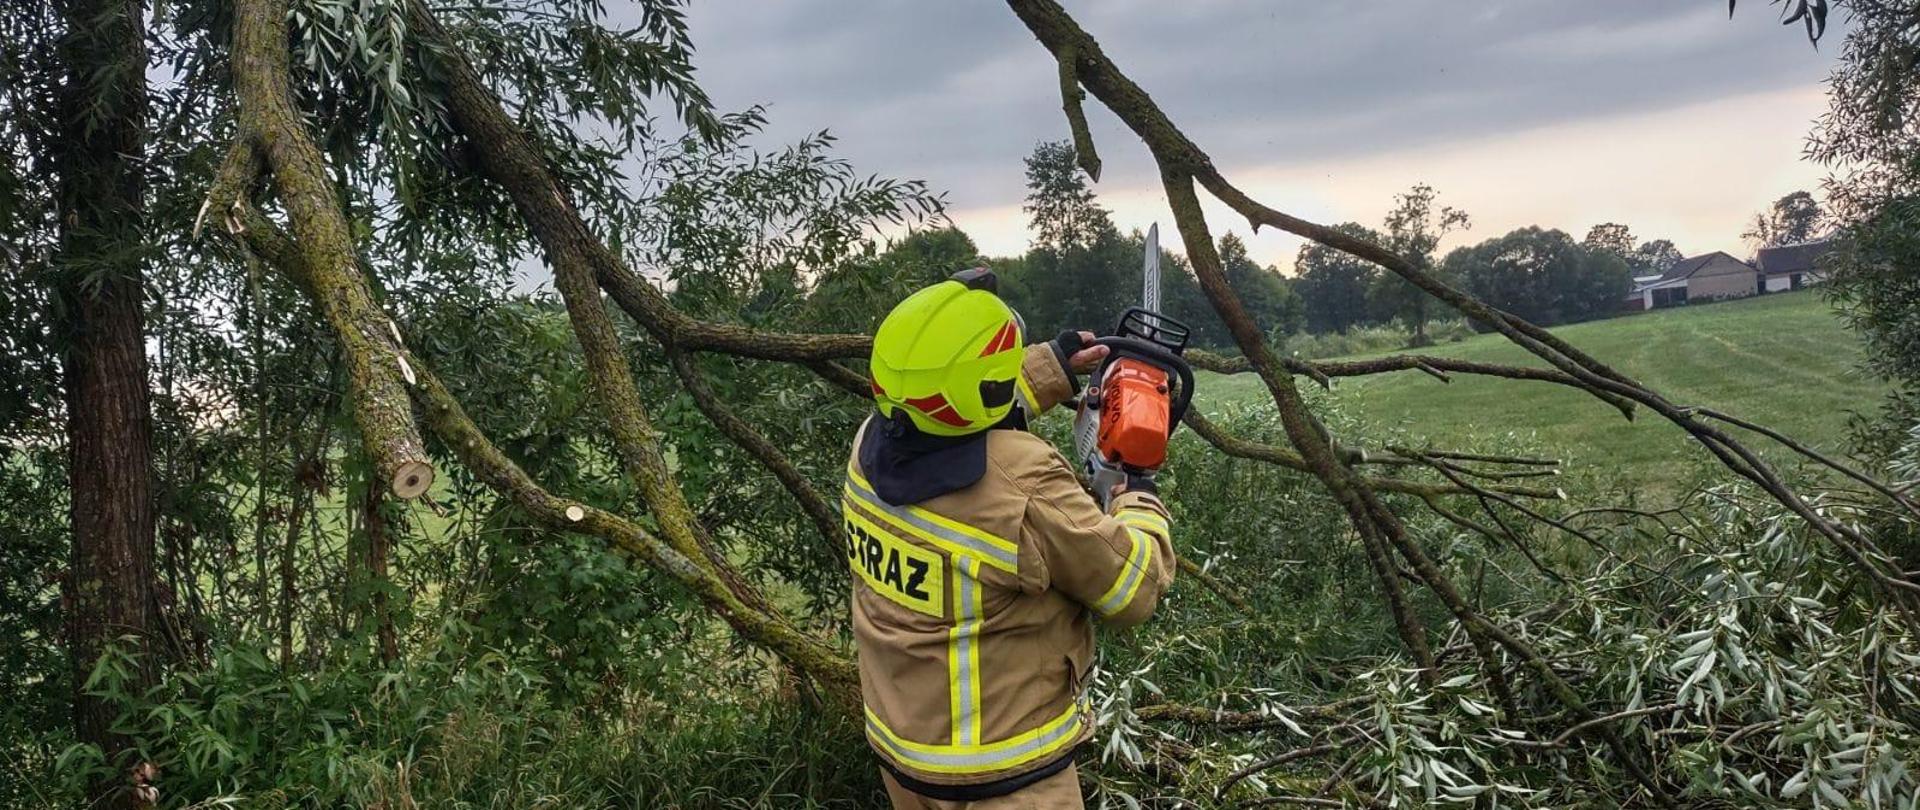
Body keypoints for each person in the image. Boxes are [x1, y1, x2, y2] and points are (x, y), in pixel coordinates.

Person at [843, 268, 1178, 809]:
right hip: (1004, 775)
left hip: (904, 756)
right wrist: (1136, 491)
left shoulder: (869, 448)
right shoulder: (1022, 481)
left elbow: (955, 412)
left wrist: (1051, 367)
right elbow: (1131, 589)